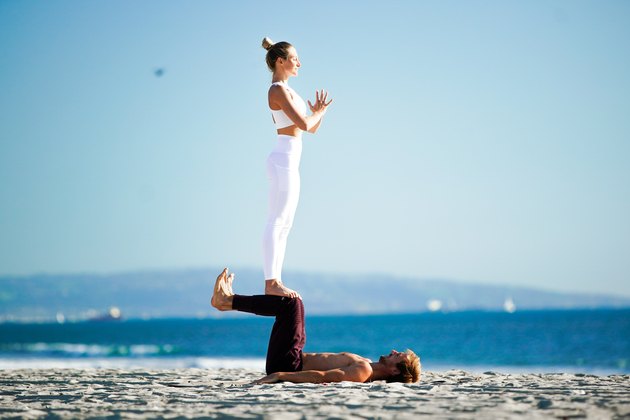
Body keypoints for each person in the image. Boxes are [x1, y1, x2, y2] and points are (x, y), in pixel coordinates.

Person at [211, 268, 421, 384]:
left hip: (288, 364)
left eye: (398, 355)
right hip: (293, 356)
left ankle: (227, 301)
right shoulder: (366, 363)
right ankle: (228, 301)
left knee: (292, 303)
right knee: (293, 302)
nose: (394, 350)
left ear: (394, 371)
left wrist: (279, 375)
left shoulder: (363, 372)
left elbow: (321, 377)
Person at [261, 37, 333, 299]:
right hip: (283, 159)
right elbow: (303, 123)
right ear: (281, 61)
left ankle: (275, 280)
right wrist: (315, 115)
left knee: (285, 224)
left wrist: (319, 112)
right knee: (276, 221)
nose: (299, 63)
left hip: (291, 160)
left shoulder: (289, 91)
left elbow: (310, 127)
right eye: (294, 59)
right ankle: (271, 282)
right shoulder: (277, 90)